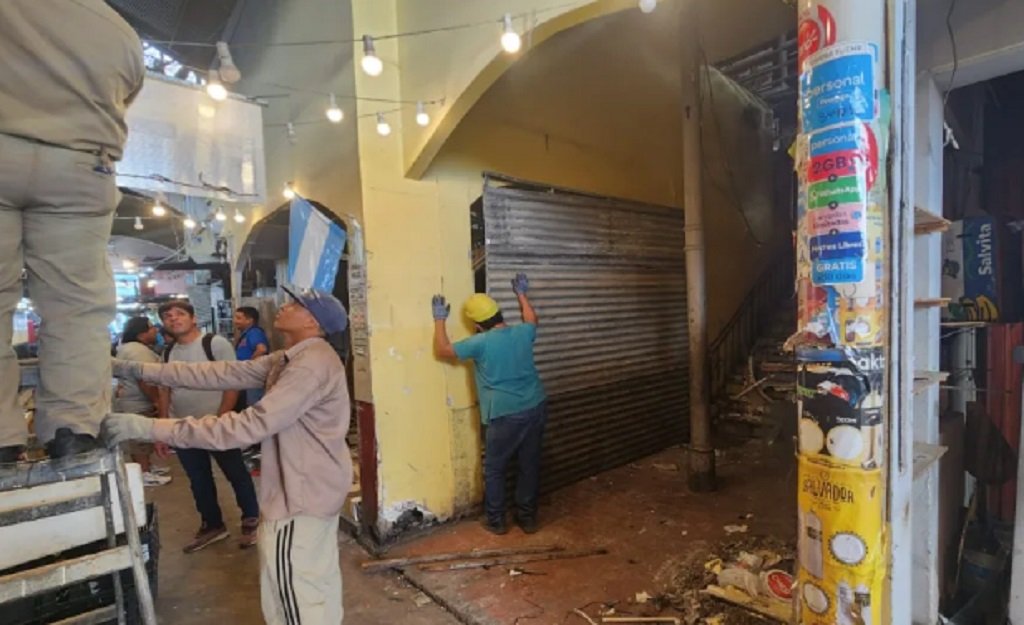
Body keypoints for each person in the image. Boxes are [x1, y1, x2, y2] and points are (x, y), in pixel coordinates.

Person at [106, 287, 352, 625]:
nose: (284, 306)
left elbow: (248, 426)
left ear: (312, 320)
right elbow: (218, 373)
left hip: (300, 499)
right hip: (313, 489)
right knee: (314, 585)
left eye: (295, 304)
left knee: (295, 597)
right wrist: (135, 370)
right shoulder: (289, 357)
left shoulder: (309, 366)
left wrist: (150, 428)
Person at [0, 0, 145, 463]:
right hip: (83, 166)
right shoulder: (120, 32)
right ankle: (73, 429)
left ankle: (2, 439)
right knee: (77, 308)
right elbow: (125, 95)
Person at [431, 273, 547, 535]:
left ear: (477, 324)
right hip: (536, 406)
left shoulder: (480, 343)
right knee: (529, 465)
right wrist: (521, 294)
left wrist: (439, 319)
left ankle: (496, 521)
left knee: (495, 469)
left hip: (504, 415)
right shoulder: (522, 332)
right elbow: (532, 319)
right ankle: (527, 519)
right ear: (499, 313)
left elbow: (443, 350)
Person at [157, 300, 260, 552]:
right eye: (167, 316)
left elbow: (232, 382)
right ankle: (212, 524)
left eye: (179, 314)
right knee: (198, 479)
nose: (173, 319)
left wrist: (221, 418)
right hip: (184, 427)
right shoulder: (168, 353)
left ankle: (251, 520)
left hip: (216, 424)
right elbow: (164, 389)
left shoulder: (214, 344)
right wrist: (162, 427)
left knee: (235, 471)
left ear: (193, 319)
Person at [114, 316, 171, 487]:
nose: (155, 330)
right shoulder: (138, 351)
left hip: (131, 399)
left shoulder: (128, 347)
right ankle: (143, 473)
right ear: (141, 334)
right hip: (137, 402)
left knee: (142, 438)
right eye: (151, 327)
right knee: (139, 439)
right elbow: (144, 379)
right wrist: (156, 400)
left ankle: (146, 467)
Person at [234, 306, 270, 406]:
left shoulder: (254, 332)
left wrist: (249, 366)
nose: (235, 321)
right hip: (246, 376)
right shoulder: (246, 334)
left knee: (253, 405)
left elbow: (262, 349)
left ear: (249, 320)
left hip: (253, 376)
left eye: (239, 318)